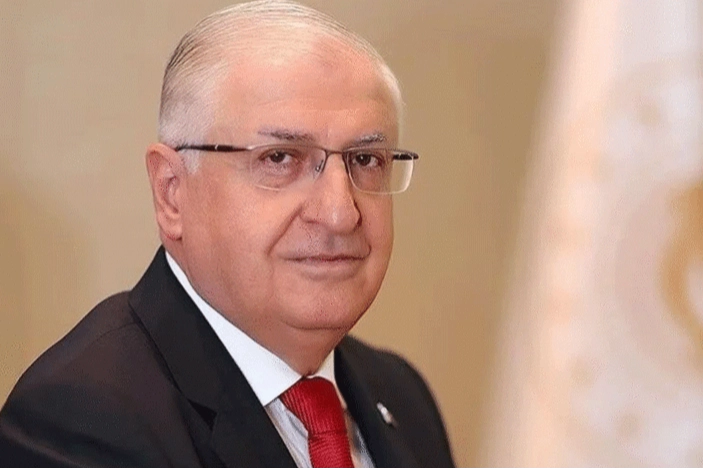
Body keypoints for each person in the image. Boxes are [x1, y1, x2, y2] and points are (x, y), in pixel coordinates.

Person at [0, 1, 455, 468]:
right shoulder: (83, 420)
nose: (340, 213)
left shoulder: (402, 396)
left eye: (365, 160)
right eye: (280, 158)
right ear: (172, 192)